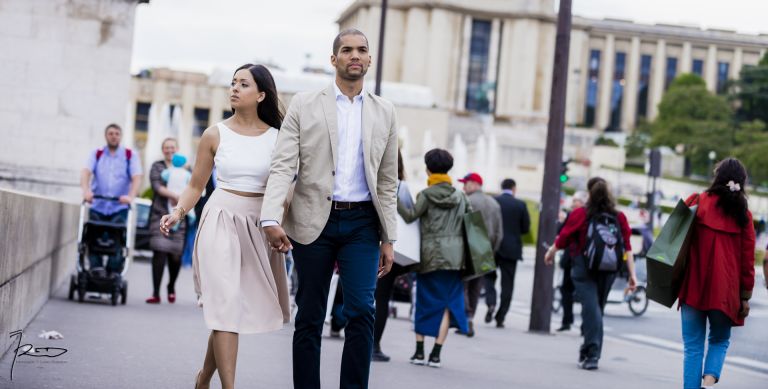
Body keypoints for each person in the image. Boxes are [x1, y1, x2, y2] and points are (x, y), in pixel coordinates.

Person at [260, 28, 398, 389]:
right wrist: (271, 216)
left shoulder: (386, 112)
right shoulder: (304, 104)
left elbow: (387, 181)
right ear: (334, 59)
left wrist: (389, 237)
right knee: (309, 315)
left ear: (369, 59)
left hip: (363, 224)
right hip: (312, 221)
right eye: (347, 50)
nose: (355, 55)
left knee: (361, 311)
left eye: (362, 50)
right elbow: (283, 165)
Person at [160, 64, 291, 389]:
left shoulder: (280, 138)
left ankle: (203, 377)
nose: (234, 88)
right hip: (220, 218)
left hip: (258, 224)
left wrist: (280, 223)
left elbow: (286, 187)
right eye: (232, 83)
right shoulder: (214, 134)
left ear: (261, 94)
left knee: (229, 311)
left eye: (243, 84)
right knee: (225, 305)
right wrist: (177, 212)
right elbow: (196, 185)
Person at [544, 177, 638, 371]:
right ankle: (589, 351)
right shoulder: (618, 216)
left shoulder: (580, 214)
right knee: (596, 310)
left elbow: (564, 238)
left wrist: (551, 252)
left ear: (589, 193)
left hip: (583, 267)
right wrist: (632, 274)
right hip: (609, 270)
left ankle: (592, 354)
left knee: (591, 309)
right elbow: (627, 247)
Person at [678, 158, 755, 389]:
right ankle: (709, 383)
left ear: (717, 177)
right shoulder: (744, 216)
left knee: (692, 347)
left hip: (693, 285)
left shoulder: (697, 202)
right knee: (720, 340)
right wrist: (745, 296)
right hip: (726, 292)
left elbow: (674, 239)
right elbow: (747, 261)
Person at [398, 148, 470, 368]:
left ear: (428, 169)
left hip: (430, 256)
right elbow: (469, 224)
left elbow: (410, 217)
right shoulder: (460, 196)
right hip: (455, 258)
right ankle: (436, 354)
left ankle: (419, 352)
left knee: (426, 302)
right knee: (447, 305)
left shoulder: (426, 195)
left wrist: (395, 199)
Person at [80, 123, 143, 272]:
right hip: (98, 204)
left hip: (119, 207)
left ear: (120, 136)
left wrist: (130, 196)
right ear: (106, 136)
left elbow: (137, 177)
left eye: (117, 134)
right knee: (92, 238)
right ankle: (96, 269)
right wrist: (86, 191)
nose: (114, 136)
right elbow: (86, 172)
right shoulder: (97, 153)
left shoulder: (129, 155)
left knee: (117, 240)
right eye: (111, 134)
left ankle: (112, 272)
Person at [372, 149, 413, 361]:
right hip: (391, 248)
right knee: (382, 299)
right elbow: (410, 216)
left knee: (364, 296)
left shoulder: (368, 179)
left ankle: (359, 338)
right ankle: (374, 345)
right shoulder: (401, 186)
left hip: (367, 241)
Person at [458, 172, 503, 336]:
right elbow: (500, 232)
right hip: (486, 249)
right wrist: (492, 250)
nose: (463, 187)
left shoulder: (467, 200)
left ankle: (465, 319)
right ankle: (470, 318)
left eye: (466, 183)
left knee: (462, 285)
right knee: (476, 288)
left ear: (475, 184)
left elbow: (461, 226)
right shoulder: (494, 203)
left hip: (469, 247)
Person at [146, 138, 188, 304]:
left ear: (177, 149)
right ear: (162, 150)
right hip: (159, 214)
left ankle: (171, 286)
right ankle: (156, 292)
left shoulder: (186, 167)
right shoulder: (157, 166)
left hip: (180, 216)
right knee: (159, 251)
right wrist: (174, 195)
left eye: (172, 147)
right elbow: (157, 186)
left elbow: (193, 186)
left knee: (175, 256)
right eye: (166, 148)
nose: (169, 150)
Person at [485, 178, 530, 328]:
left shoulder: (493, 201)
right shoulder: (520, 204)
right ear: (514, 188)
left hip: (493, 247)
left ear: (501, 187)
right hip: (512, 248)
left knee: (489, 277)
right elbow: (525, 228)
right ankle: (501, 316)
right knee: (508, 284)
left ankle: (491, 302)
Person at [556, 191, 588, 332]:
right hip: (575, 260)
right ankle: (570, 322)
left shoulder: (578, 215)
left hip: (576, 259)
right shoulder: (579, 215)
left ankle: (572, 322)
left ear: (583, 202)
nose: (573, 203)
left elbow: (563, 234)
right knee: (570, 291)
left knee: (573, 291)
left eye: (576, 200)